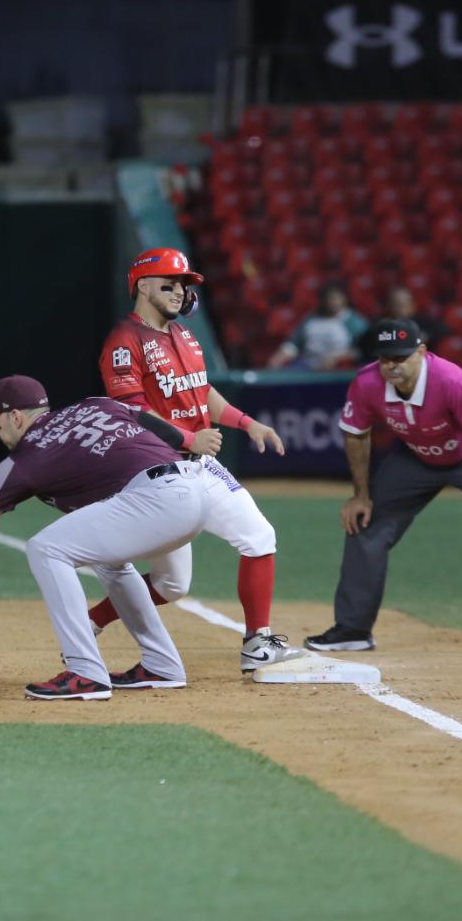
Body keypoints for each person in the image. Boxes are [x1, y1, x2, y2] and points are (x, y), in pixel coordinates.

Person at [0, 374, 228, 700]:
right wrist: (188, 442)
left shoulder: (25, 458)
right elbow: (145, 418)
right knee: (109, 562)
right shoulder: (95, 404)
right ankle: (161, 665)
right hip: (194, 487)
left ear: (15, 416)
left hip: (157, 498)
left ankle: (85, 672)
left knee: (46, 548)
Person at [87, 246, 304, 672]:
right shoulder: (123, 341)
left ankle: (257, 642)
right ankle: (89, 620)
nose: (179, 291)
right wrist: (189, 436)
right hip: (154, 472)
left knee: (259, 536)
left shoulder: (184, 334)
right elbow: (132, 410)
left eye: (184, 284)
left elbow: (202, 391)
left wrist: (247, 423)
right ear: (143, 285)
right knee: (171, 585)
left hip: (199, 463)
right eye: (169, 282)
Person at [305, 318, 462, 659]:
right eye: (385, 358)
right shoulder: (367, 383)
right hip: (417, 457)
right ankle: (353, 629)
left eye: (400, 358)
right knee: (365, 523)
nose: (391, 366)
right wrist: (361, 495)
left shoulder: (451, 381)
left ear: (421, 352)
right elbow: (356, 433)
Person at [267, 280, 368, 370]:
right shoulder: (311, 320)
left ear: (344, 299)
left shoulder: (354, 322)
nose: (332, 302)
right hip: (308, 367)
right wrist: (279, 357)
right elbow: (293, 345)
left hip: (339, 370)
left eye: (336, 298)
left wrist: (338, 357)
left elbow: (361, 351)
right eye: (329, 298)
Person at [355, 285, 448, 360]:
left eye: (403, 304)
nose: (400, 308)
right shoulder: (382, 324)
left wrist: (426, 335)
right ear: (389, 306)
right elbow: (362, 343)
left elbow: (443, 329)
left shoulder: (423, 322)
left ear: (412, 304)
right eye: (396, 304)